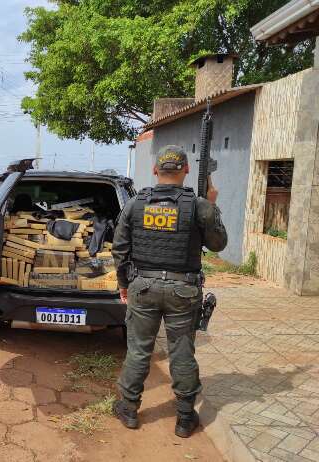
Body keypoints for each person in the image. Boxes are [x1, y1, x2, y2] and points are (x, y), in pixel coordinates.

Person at [111, 145, 227, 438]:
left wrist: (124, 285)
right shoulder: (198, 205)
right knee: (182, 351)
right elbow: (218, 244)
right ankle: (185, 418)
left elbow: (120, 249)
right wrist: (212, 204)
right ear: (186, 170)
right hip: (183, 290)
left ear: (155, 171)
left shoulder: (136, 204)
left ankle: (128, 409)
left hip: (143, 286)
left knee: (138, 349)